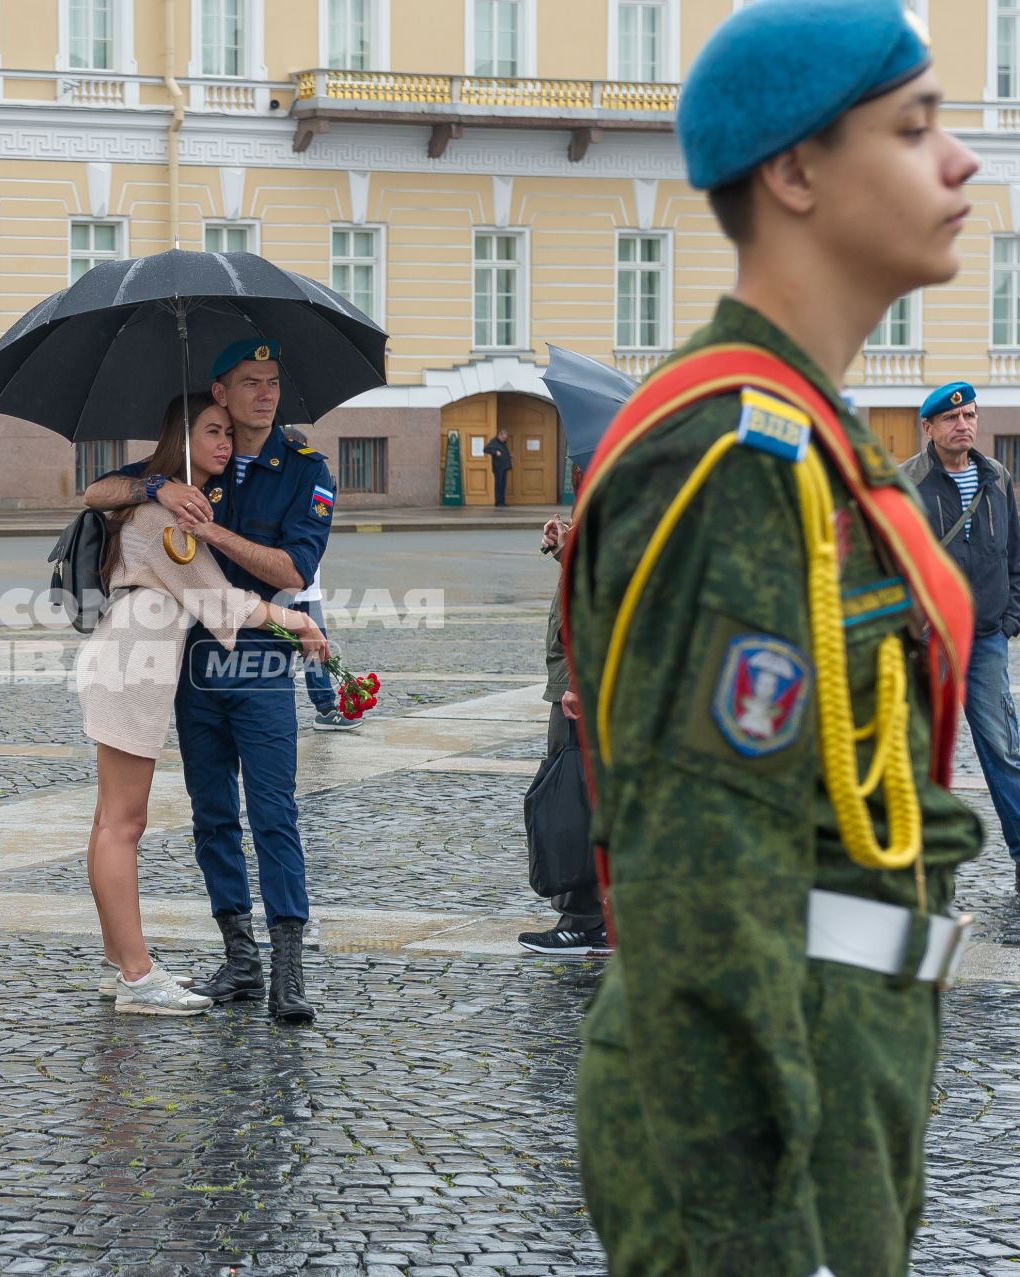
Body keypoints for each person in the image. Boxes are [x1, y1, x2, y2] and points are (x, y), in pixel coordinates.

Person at [562, 3, 982, 1273]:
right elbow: (700, 889)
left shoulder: (812, 434)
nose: (959, 160)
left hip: (842, 1059)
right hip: (759, 1110)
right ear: (795, 173)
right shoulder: (738, 459)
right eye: (914, 129)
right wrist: (753, 1229)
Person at [84, 338, 334, 1025]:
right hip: (187, 669)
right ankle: (239, 960)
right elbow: (97, 490)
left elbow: (291, 571)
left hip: (255, 665)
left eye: (273, 382)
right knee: (209, 817)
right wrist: (160, 486)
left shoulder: (303, 470)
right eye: (249, 383)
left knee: (274, 812)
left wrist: (215, 534)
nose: (265, 394)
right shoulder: (194, 458)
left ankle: (287, 971)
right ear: (219, 392)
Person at [901, 380, 1020, 892]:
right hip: (930, 642)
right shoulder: (906, 482)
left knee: (1004, 750)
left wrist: (1011, 616)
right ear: (928, 427)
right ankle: (916, 866)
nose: (963, 424)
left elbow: (1013, 555)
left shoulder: (996, 477)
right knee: (923, 753)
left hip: (987, 637)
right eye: (951, 418)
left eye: (970, 415)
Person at [517, 507, 607, 956]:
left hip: (581, 683)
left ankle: (584, 920)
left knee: (573, 797)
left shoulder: (615, 485)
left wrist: (576, 681)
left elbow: (604, 586)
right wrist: (565, 548)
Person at [284, 426, 360, 732]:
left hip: (307, 586)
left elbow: (318, 524)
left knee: (316, 650)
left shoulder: (315, 480)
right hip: (275, 589)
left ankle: (326, 708)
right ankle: (276, 714)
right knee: (271, 658)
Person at [485, 428, 513, 506]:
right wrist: (495, 452)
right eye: (504, 437)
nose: (505, 439)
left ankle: (502, 501)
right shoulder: (494, 442)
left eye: (506, 438)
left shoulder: (503, 443)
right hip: (498, 467)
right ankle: (498, 501)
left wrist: (508, 455)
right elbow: (486, 449)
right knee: (499, 484)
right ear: (500, 435)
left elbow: (503, 452)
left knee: (503, 484)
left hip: (504, 467)